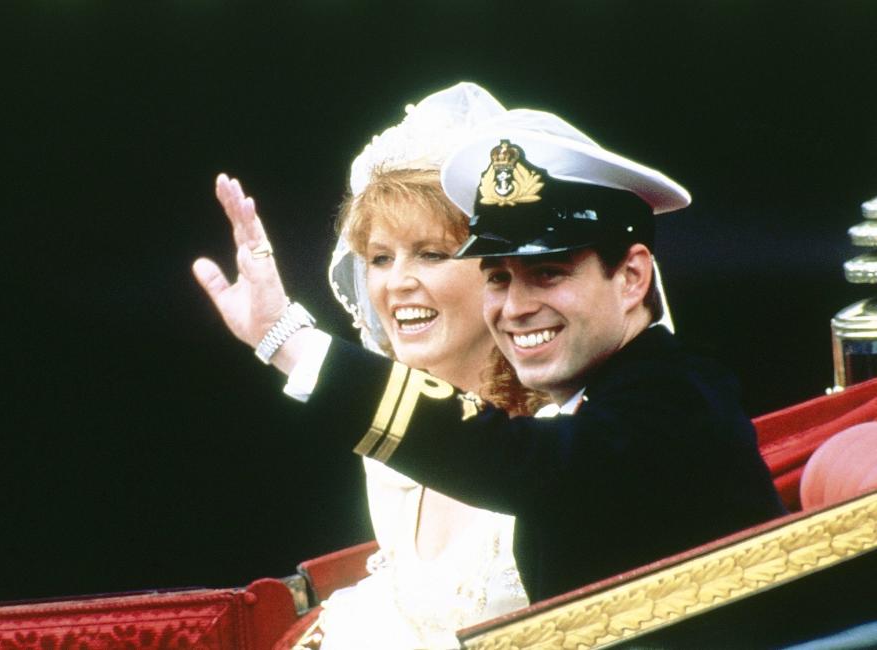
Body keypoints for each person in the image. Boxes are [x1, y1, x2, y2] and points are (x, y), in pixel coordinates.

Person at [192, 101, 786, 606]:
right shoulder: (599, 392)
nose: (515, 307)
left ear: (631, 279)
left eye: (548, 274)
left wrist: (290, 341)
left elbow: (524, 462)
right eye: (498, 278)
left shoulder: (681, 395)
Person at [313, 83, 535, 649]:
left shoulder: (565, 432)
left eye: (431, 254)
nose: (395, 282)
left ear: (502, 270)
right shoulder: (389, 459)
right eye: (381, 259)